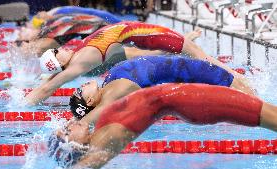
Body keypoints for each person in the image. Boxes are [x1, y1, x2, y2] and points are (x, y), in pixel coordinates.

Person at [48, 83, 277, 169]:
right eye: (67, 132)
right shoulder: (102, 144)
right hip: (194, 101)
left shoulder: (99, 131)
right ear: (75, 147)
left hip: (188, 98)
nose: (69, 123)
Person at [25, 21, 253, 106]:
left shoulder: (81, 52)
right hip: (155, 34)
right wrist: (23, 105)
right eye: (56, 53)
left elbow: (131, 53)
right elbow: (48, 87)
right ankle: (244, 83)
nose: (59, 48)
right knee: (207, 61)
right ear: (58, 65)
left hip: (153, 36)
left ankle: (242, 83)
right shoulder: (79, 62)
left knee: (199, 58)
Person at [69, 55, 248, 121]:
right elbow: (103, 109)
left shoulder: (108, 84)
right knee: (244, 91)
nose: (80, 86)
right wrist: (78, 123)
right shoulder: (113, 92)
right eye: (80, 92)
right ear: (90, 101)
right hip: (189, 71)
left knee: (242, 89)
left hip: (184, 67)